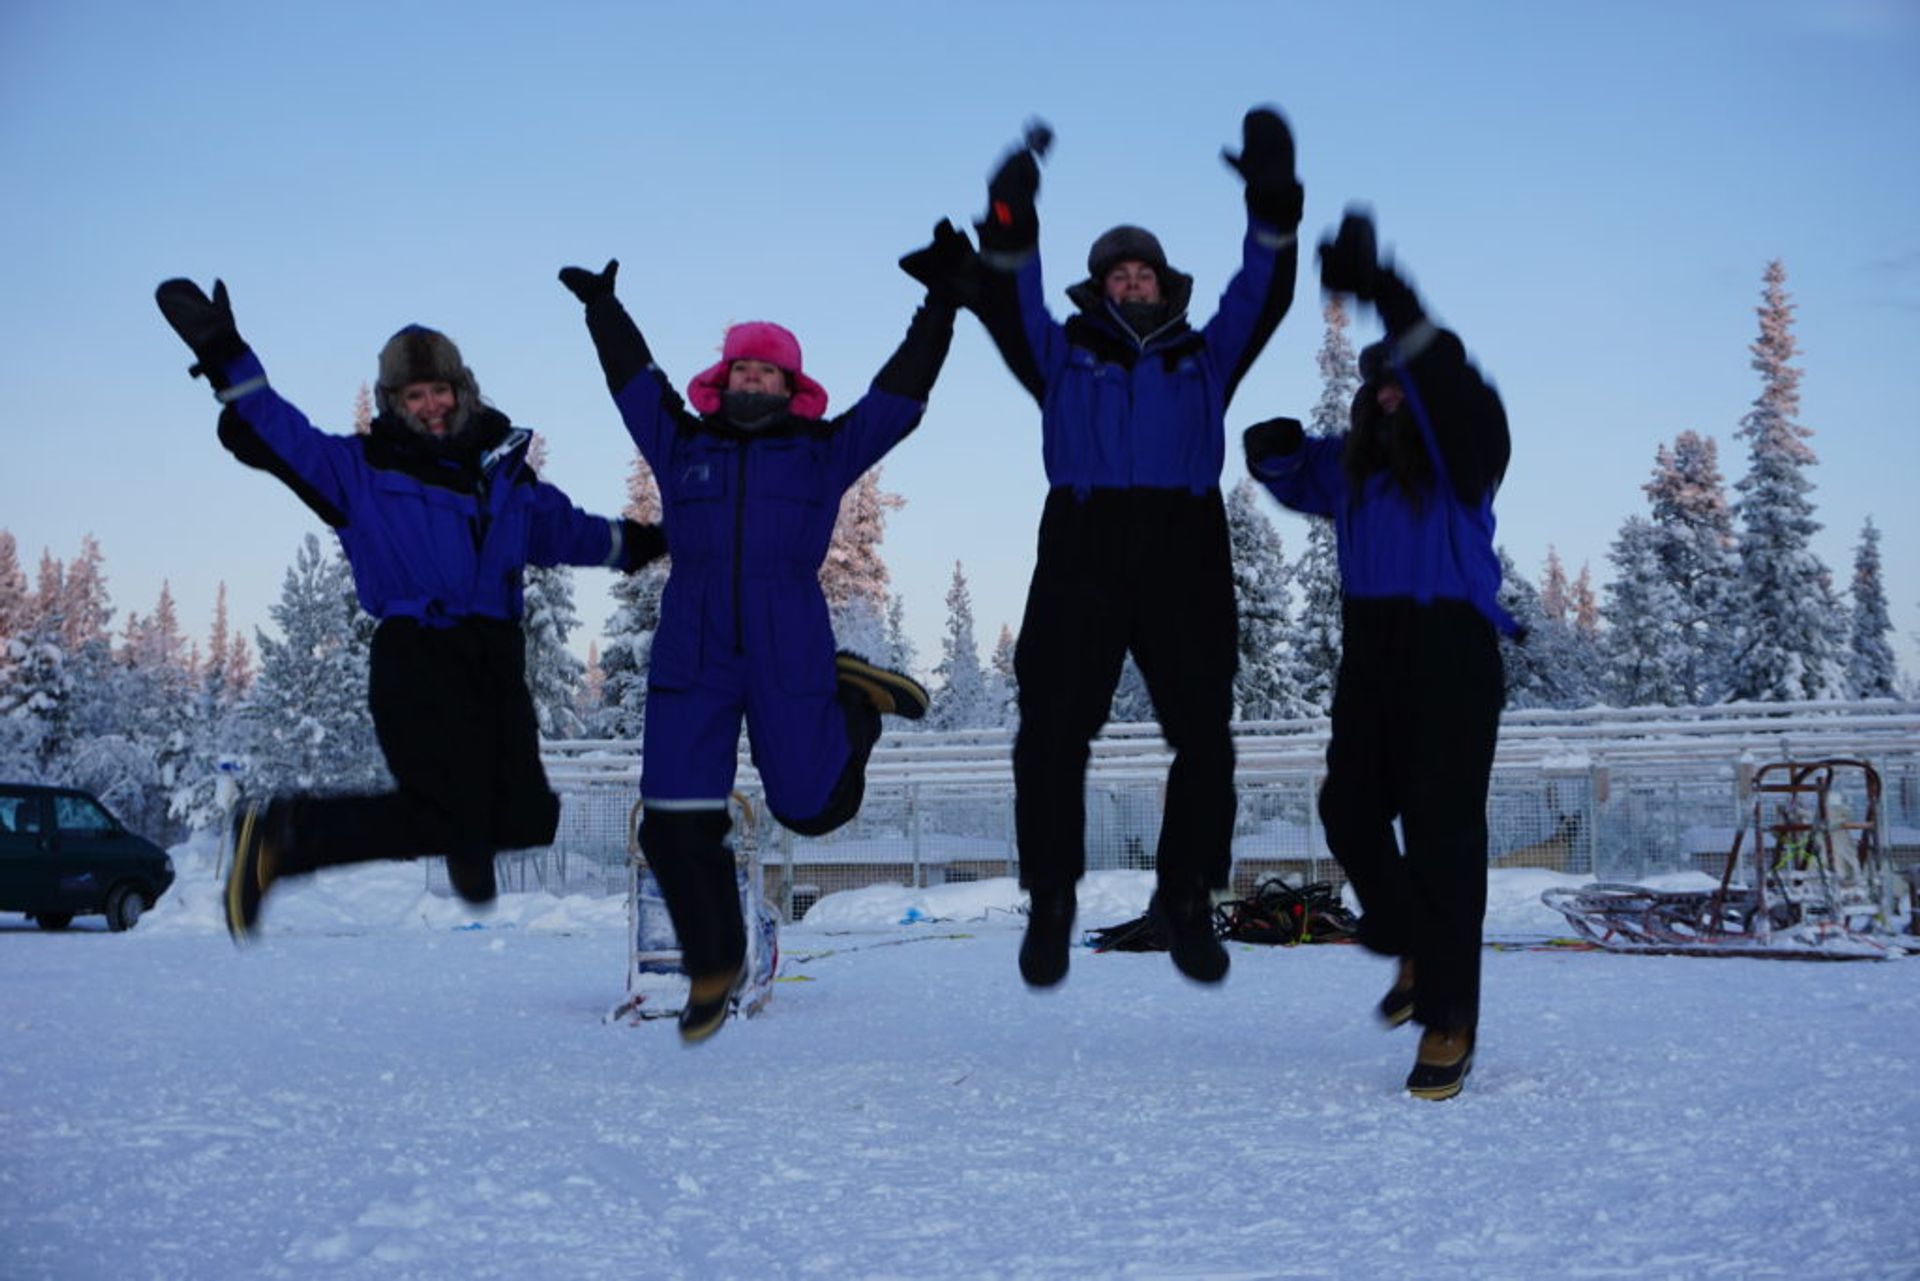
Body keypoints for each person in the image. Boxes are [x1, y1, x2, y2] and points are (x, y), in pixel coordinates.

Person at [154, 279, 668, 943]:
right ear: (393, 402)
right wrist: (227, 353)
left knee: (530, 817)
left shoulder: (502, 476)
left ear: (462, 391)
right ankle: (282, 834)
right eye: (413, 395)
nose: (430, 406)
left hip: (494, 658)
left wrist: (645, 542)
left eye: (440, 390)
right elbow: (280, 428)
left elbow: (568, 531)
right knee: (441, 808)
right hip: (418, 654)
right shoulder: (361, 471)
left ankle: (468, 843)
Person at [556, 227, 965, 1042]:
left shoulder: (820, 452)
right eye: (742, 366)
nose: (752, 378)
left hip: (787, 637)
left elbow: (899, 402)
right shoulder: (683, 443)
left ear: (789, 385)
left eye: (767, 370)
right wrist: (605, 309)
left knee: (810, 807)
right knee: (673, 818)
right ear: (723, 378)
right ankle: (717, 959)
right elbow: (635, 387)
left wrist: (942, 302)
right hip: (695, 643)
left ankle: (854, 704)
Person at [963, 109, 1303, 988]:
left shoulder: (1206, 355)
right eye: (1117, 273)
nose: (1132, 280)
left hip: (1184, 540)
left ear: (1166, 285)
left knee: (1204, 735)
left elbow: (1261, 292)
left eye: (1143, 270)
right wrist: (1011, 210)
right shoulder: (1062, 354)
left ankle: (1187, 898)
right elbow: (1008, 294)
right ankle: (1050, 900)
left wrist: (1272, 202)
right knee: (1050, 731)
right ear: (1099, 290)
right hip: (1081, 537)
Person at [1241, 209, 1516, 1100]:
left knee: (1442, 837)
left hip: (1451, 648)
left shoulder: (1468, 450)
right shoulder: (1355, 472)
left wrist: (1388, 291)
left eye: (1404, 384)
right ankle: (1412, 946)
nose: (1389, 394)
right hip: (1373, 649)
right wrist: (1272, 446)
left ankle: (1449, 1015)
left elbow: (1439, 375)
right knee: (1349, 810)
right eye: (1378, 389)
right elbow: (1287, 470)